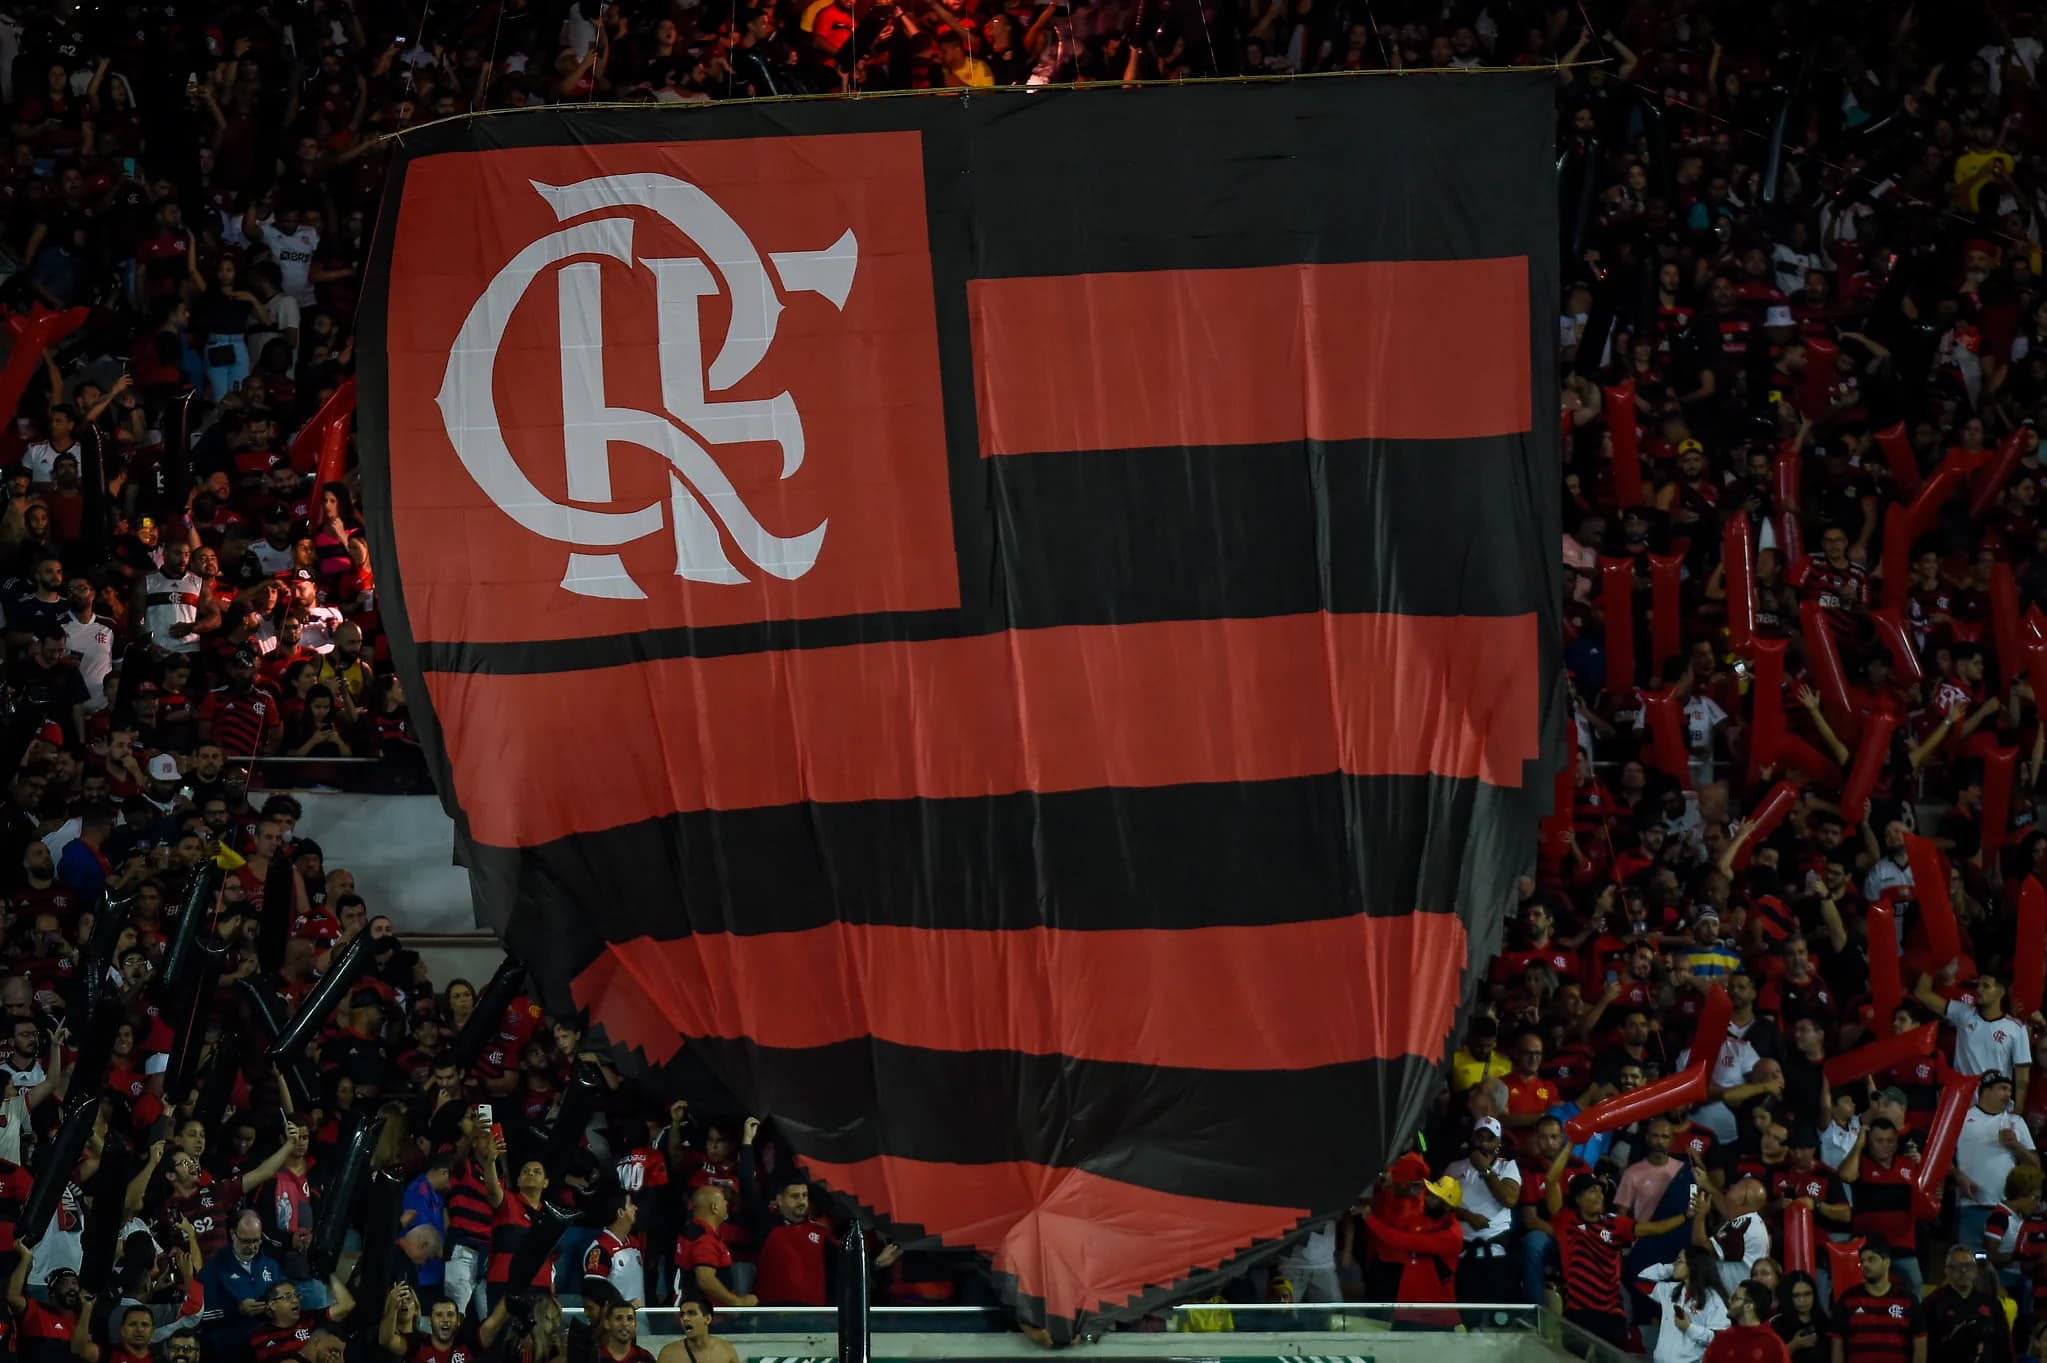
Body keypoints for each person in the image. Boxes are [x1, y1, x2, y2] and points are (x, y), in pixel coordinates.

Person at [1545, 1140, 1699, 1347]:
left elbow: (1657, 1228)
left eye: (1600, 1191)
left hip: (1612, 1314)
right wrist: (1571, 1143)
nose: (1599, 1195)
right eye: (1592, 1191)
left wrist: (1686, 1216)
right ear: (1579, 1199)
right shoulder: (1566, 1222)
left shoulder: (1615, 1224)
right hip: (1579, 1313)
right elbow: (1551, 1179)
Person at [1955, 1073, 2040, 1254]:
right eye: (2002, 1088)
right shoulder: (1961, 1119)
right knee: (1974, 1264)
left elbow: (2036, 1165)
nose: (2008, 1094)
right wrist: (1958, 1176)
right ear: (1986, 1090)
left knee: (2001, 1267)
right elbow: (1942, 1158)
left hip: (2006, 1210)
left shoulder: (2015, 1122)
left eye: (2010, 1089)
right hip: (1971, 1208)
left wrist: (2016, 1146)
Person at [1443, 1115, 1521, 1310]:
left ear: (1498, 1142)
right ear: (1472, 1139)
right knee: (1466, 1314)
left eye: (1489, 1138)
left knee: (1497, 1317)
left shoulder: (1508, 1167)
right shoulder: (1454, 1168)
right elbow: (1441, 1205)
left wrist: (1485, 1170)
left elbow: (1509, 1200)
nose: (1484, 1143)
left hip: (1496, 1253)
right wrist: (1467, 1216)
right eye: (1479, 1137)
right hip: (1463, 1253)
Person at [1834, 1241, 1926, 1363]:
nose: (1865, 1265)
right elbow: (1837, 1343)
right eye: (1862, 1261)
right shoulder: (1848, 1299)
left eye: (1871, 1260)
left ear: (1887, 1262)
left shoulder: (1908, 1300)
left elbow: (1920, 1346)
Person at [1921, 1244, 2011, 1363]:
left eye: (1968, 1266)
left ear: (1976, 1271)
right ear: (1947, 1271)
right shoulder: (1932, 1304)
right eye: (1957, 1266)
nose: (1963, 1271)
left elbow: (2004, 1347)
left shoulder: (1992, 1304)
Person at [1640, 1245, 1731, 1363]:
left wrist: (1689, 1328)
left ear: (1693, 1267)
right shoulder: (1670, 1290)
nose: (1675, 1264)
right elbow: (1641, 1281)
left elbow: (1721, 1338)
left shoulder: (1714, 1300)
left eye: (1679, 1261)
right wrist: (1670, 1268)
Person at [1708, 1282, 1791, 1363]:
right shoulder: (1722, 1340)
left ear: (1749, 1306)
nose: (1729, 1301)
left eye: (1735, 1298)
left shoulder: (1774, 1345)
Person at [1773, 1271, 1834, 1362]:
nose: (1802, 1300)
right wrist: (1794, 1345)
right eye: (1796, 1295)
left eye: (1807, 1294)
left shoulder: (1825, 1321)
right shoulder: (1778, 1324)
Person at [655, 1299, 739, 1363]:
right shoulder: (669, 1354)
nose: (685, 1318)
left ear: (708, 1319)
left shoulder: (726, 1350)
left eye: (691, 1313)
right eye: (682, 1314)